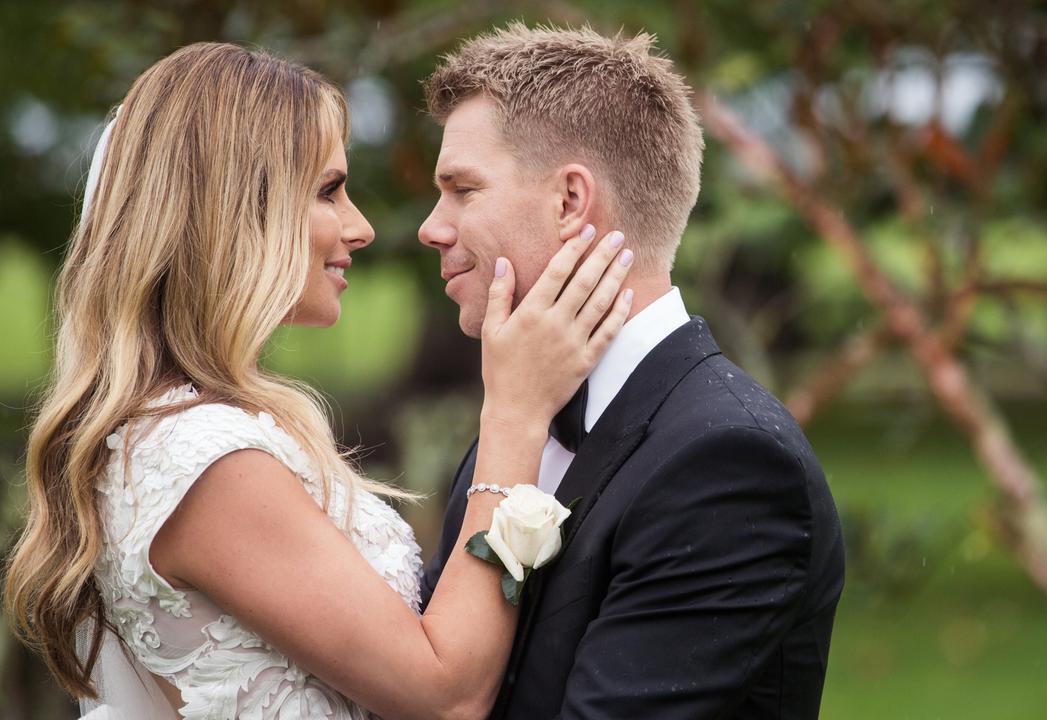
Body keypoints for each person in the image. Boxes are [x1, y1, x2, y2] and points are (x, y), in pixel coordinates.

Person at [3, 41, 633, 719]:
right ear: (234, 209)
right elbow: (446, 694)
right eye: (329, 190)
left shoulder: (182, 433)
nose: (361, 227)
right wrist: (514, 414)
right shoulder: (205, 464)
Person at [418, 24, 846, 719]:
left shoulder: (730, 463)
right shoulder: (517, 418)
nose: (431, 228)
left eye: (463, 190)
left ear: (569, 202)